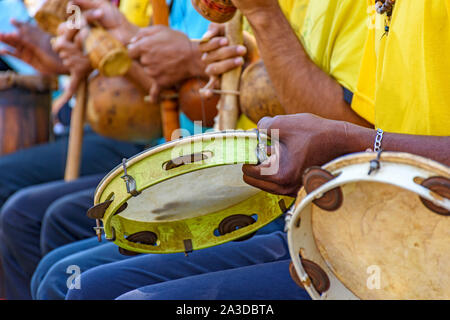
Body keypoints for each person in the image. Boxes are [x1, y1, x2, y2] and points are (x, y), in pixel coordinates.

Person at [33, 0, 375, 300]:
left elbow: (345, 137)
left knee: (75, 280)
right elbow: (197, 107)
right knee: (57, 252)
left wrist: (252, 24)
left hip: (314, 203)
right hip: (238, 168)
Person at [118, 0, 449, 299]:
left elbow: (351, 131)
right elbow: (198, 104)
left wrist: (263, 16)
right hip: (366, 225)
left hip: (413, 244)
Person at [0, 0, 212, 299]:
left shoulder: (224, 11)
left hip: (194, 157)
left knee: (62, 270)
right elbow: (153, 84)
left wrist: (186, 58)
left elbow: (197, 104)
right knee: (30, 217)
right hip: (162, 147)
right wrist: (88, 57)